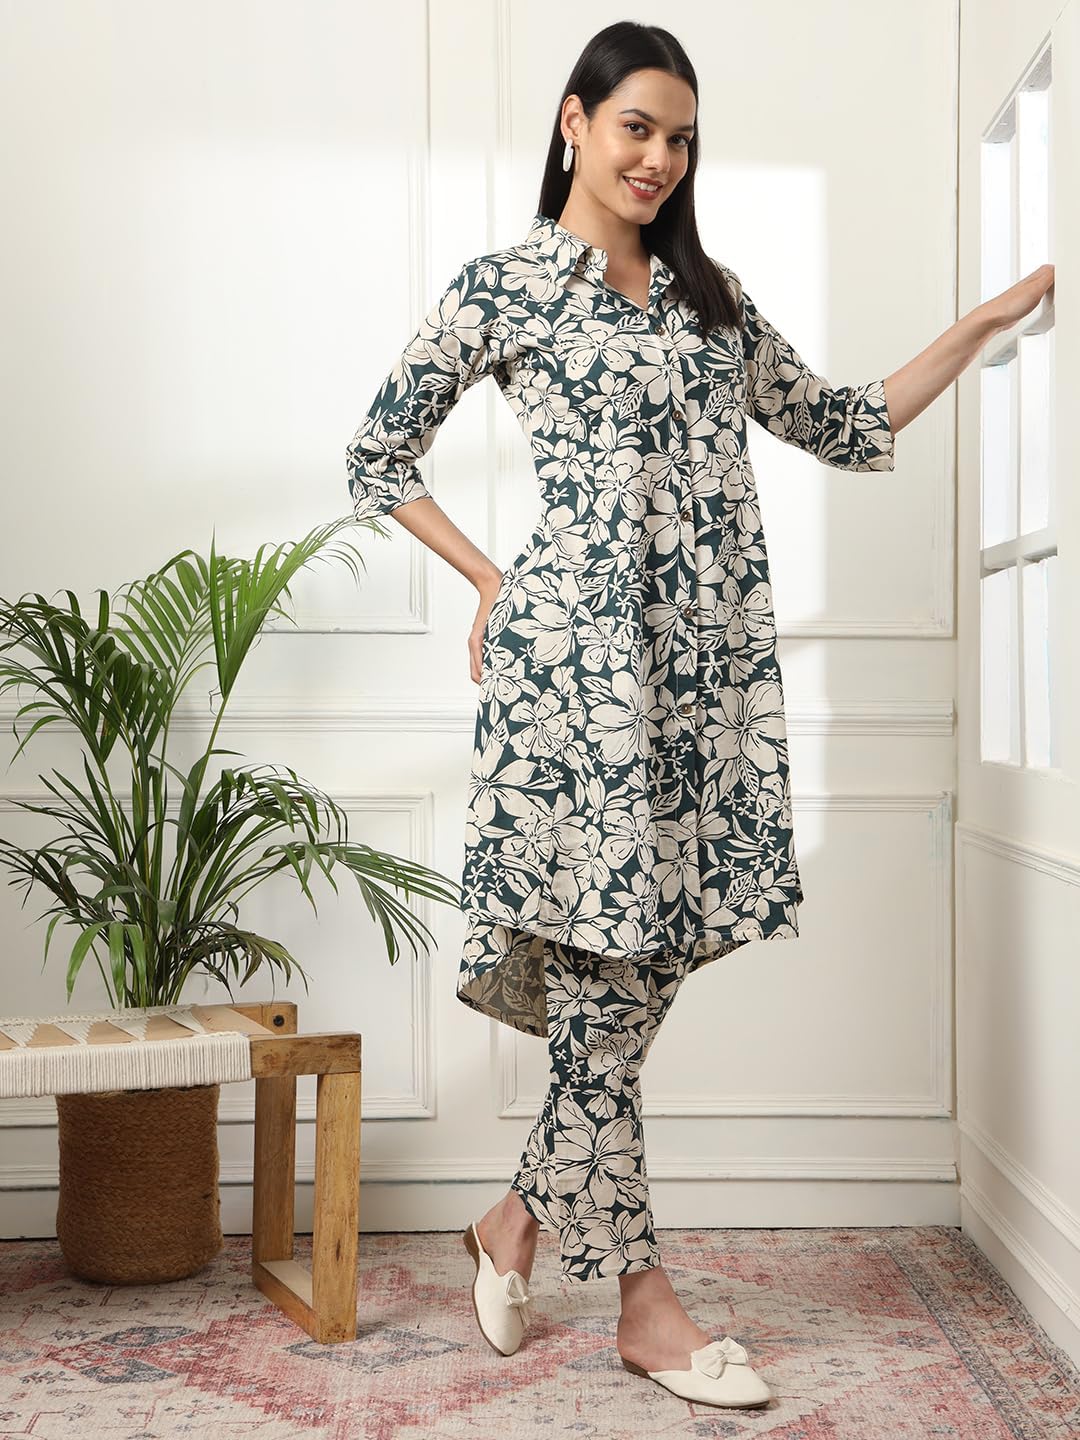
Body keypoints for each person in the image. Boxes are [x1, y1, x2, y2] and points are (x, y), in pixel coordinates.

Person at [345, 19, 1054, 1410]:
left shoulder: (709, 299)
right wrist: (493, 579)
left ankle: (514, 1220)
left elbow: (845, 422)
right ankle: (645, 1305)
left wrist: (978, 327)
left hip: (707, 691)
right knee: (605, 979)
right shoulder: (505, 288)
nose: (660, 159)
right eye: (637, 129)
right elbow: (378, 452)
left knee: (639, 974)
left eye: (680, 138)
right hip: (574, 687)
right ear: (573, 123)